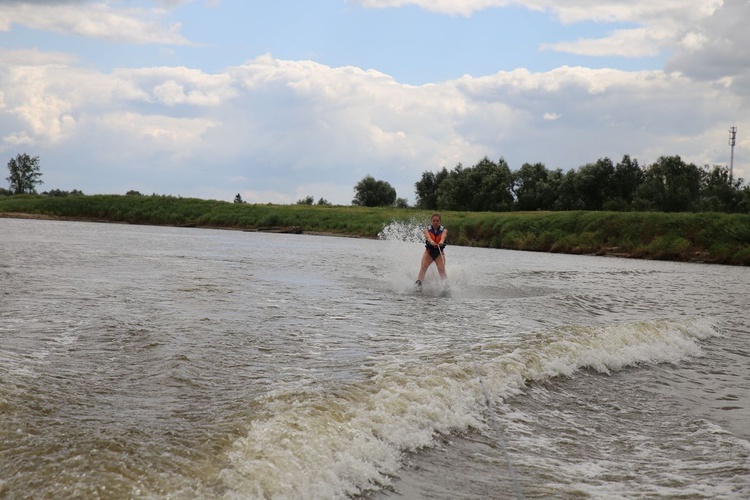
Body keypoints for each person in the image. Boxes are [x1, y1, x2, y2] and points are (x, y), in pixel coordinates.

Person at [415, 213, 448, 289]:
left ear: (440, 221)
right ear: (431, 221)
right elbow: (427, 236)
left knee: (441, 269)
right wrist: (431, 241)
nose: (435, 222)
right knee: (423, 267)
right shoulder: (427, 230)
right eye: (434, 221)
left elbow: (443, 236)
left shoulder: (444, 230)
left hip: (439, 253)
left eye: (437, 221)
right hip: (429, 252)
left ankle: (446, 287)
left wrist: (441, 241)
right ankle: (418, 285)